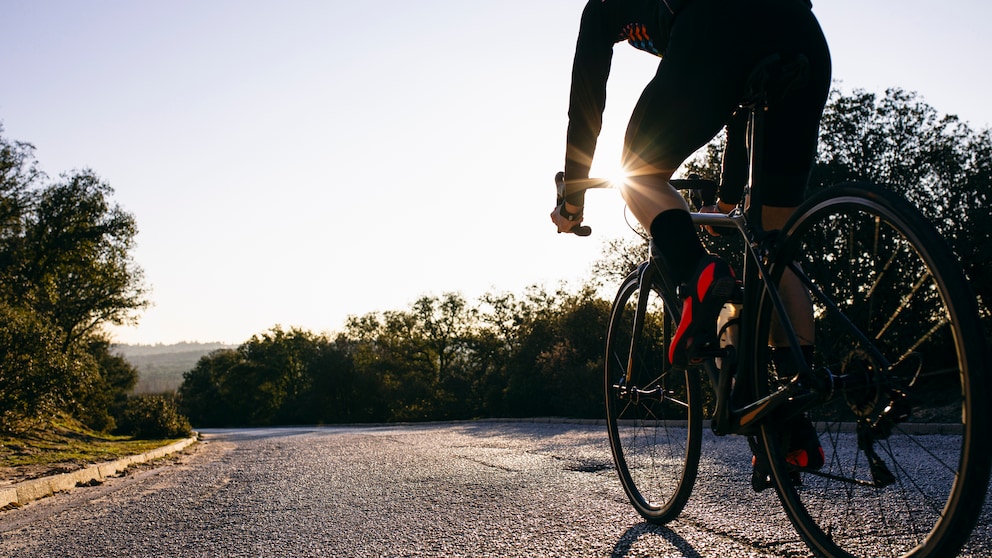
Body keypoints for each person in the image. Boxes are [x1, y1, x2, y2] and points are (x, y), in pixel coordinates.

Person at [551, 0, 831, 488]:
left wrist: (573, 192)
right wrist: (725, 196)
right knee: (773, 244)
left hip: (717, 26)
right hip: (802, 37)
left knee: (637, 177)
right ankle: (791, 418)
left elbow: (587, 95)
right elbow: (743, 98)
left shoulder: (604, 9)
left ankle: (697, 278)